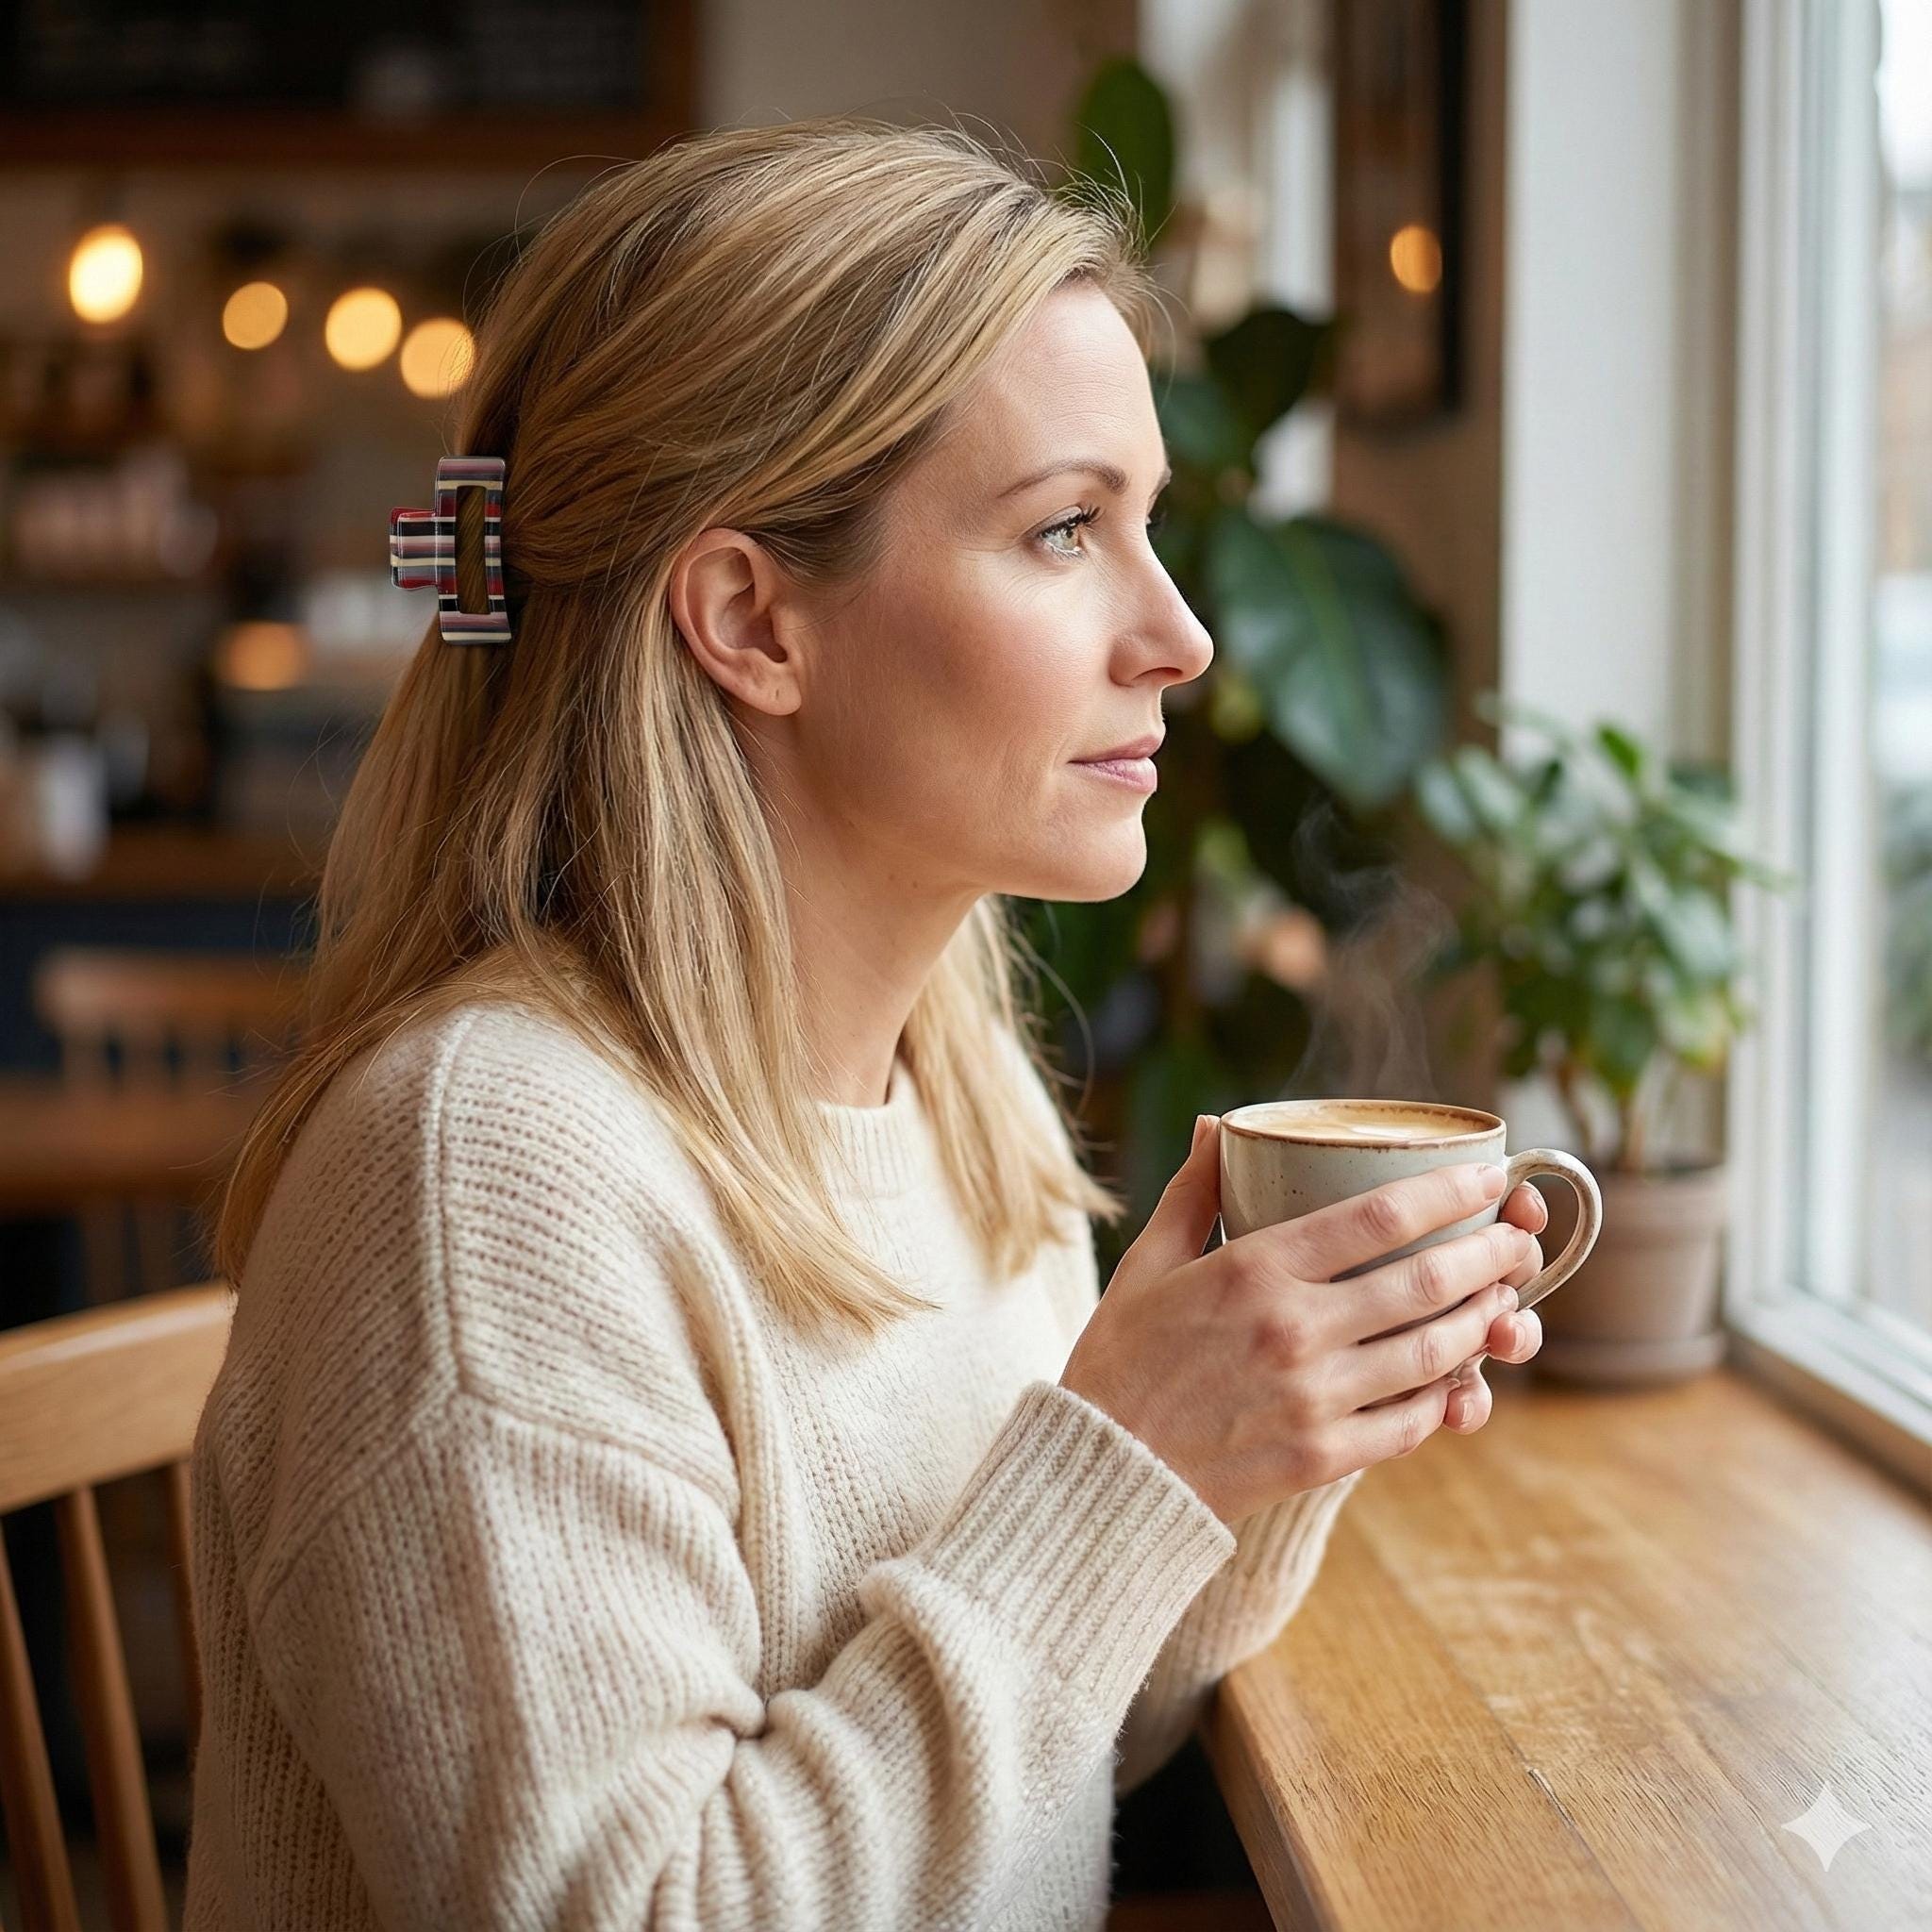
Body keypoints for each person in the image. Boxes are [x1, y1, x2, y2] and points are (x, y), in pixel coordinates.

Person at [183, 114, 1548, 1931]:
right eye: (1066, 530)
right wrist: (1122, 1458)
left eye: (1147, 527)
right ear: (753, 618)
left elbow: (1048, 1752)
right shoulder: (485, 1179)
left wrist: (1255, 1439)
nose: (1186, 636)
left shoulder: (945, 1088)